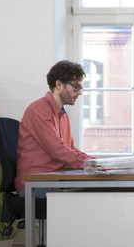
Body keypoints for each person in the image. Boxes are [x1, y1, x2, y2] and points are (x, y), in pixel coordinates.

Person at [15, 60, 95, 198]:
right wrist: (93, 165)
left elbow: (70, 149)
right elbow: (59, 151)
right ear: (59, 84)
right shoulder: (39, 110)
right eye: (76, 87)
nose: (80, 93)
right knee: (91, 192)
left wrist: (94, 162)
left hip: (52, 178)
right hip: (34, 183)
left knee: (97, 188)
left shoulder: (62, 115)